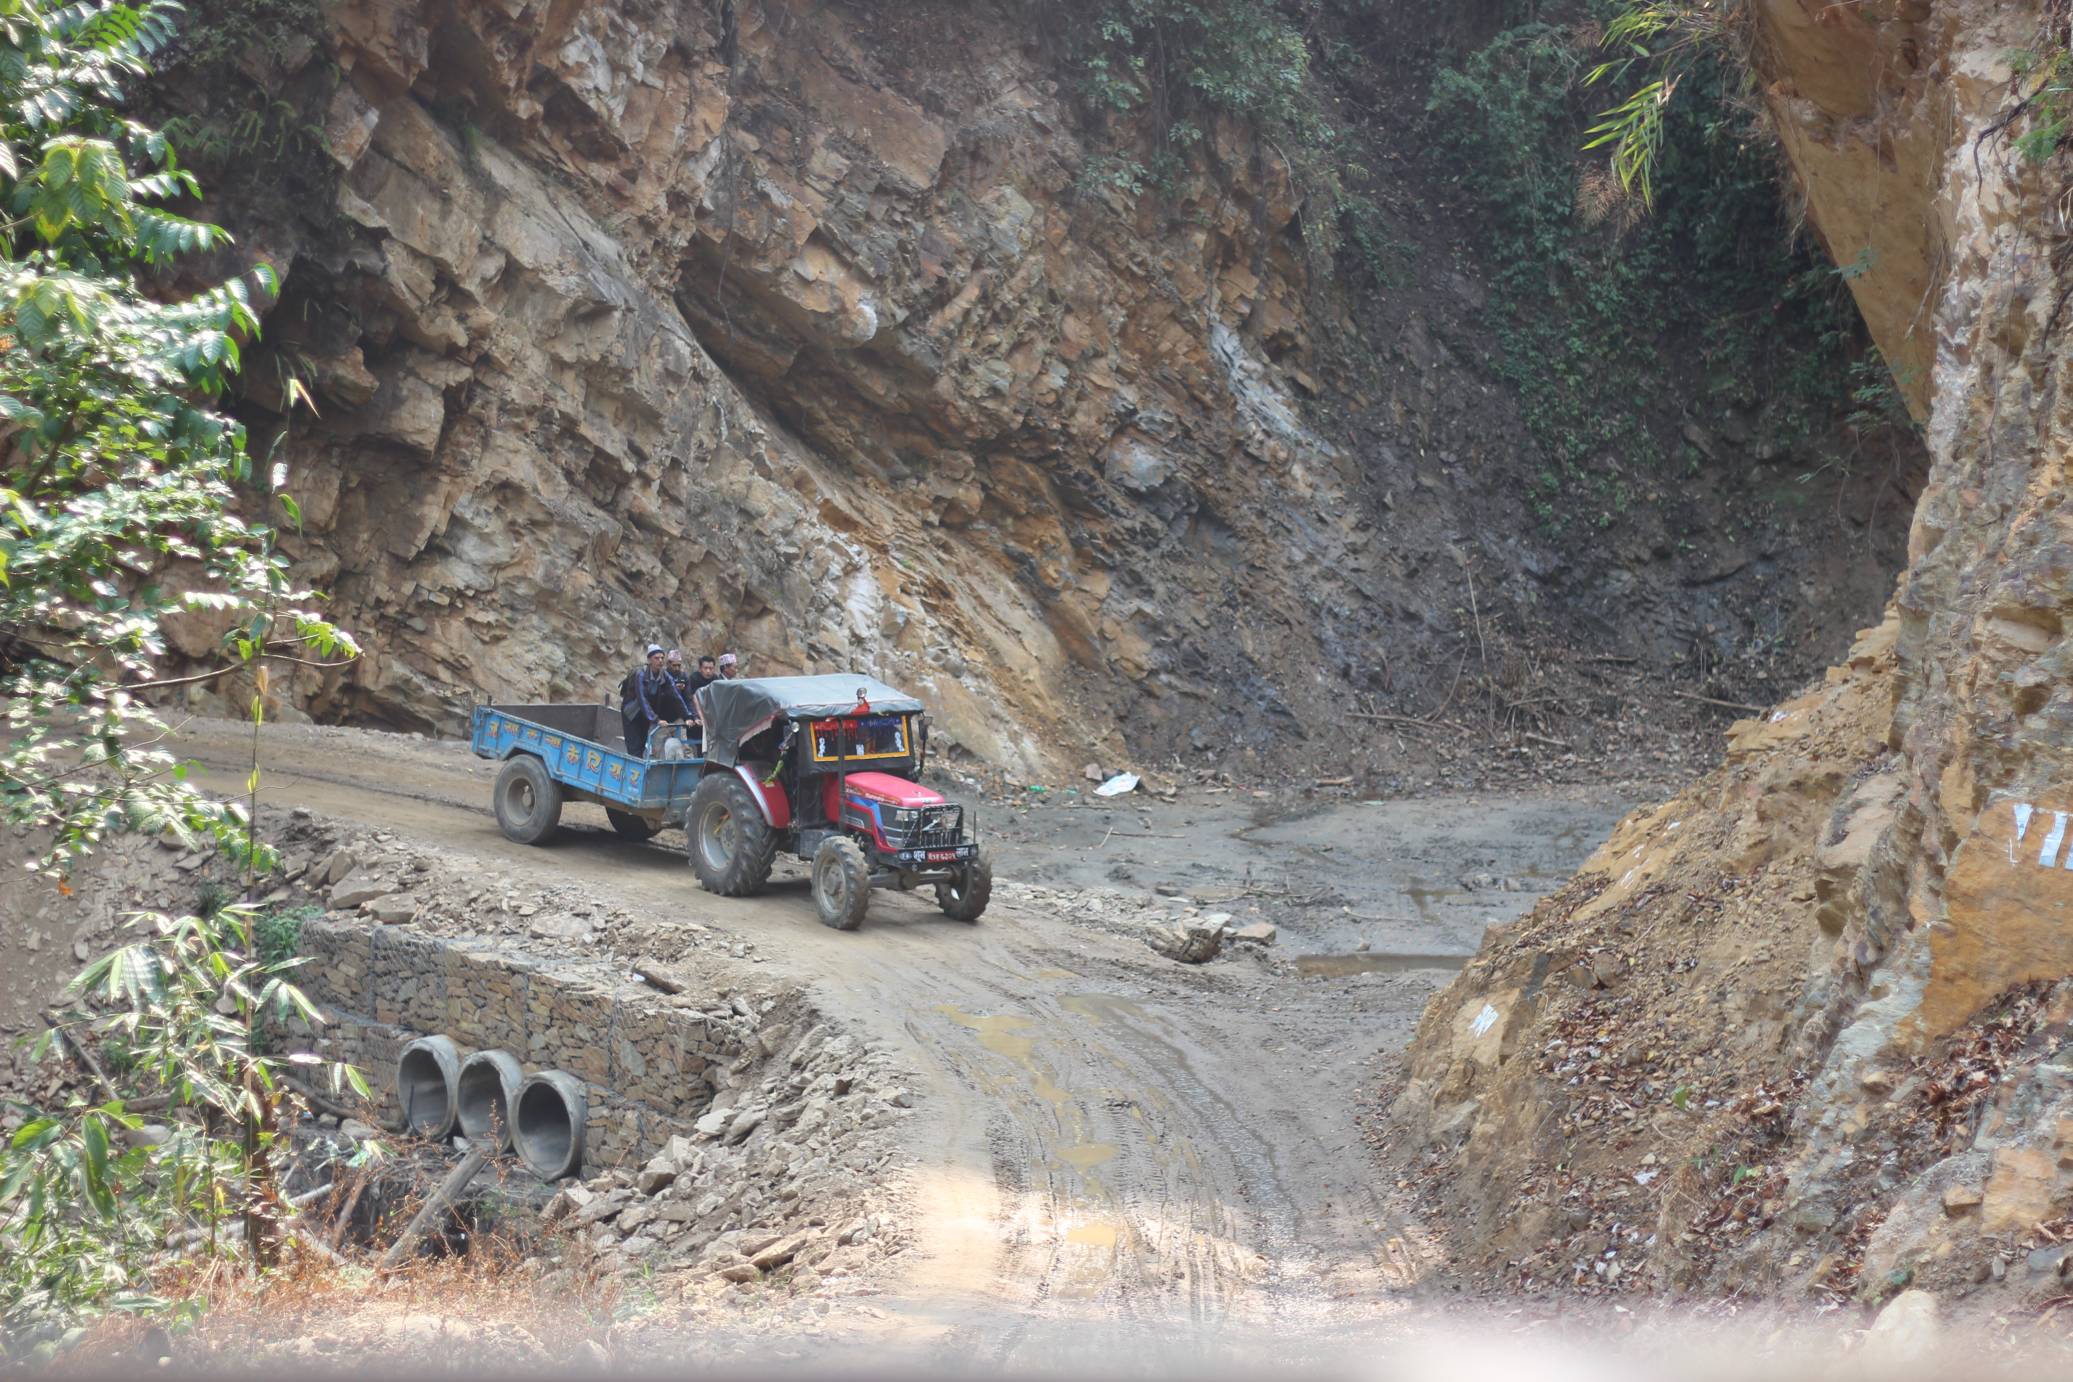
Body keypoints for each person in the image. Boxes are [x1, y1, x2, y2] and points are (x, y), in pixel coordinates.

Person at [619, 643, 691, 757]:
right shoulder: (640, 674)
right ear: (649, 660)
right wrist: (656, 719)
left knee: (642, 744)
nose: (660, 661)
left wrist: (687, 716)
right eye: (656, 658)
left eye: (662, 658)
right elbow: (642, 699)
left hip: (646, 714)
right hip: (632, 714)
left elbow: (676, 696)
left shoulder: (664, 675)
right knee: (634, 746)